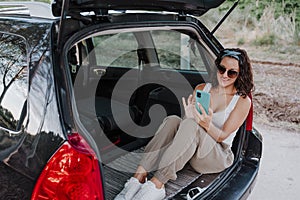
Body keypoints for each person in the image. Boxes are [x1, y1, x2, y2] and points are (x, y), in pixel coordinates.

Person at [114, 48, 254, 200]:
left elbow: (222, 136)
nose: (225, 75)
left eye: (232, 72)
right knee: (173, 120)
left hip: (217, 155)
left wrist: (205, 124)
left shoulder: (242, 101)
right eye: (222, 69)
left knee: (192, 125)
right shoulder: (202, 88)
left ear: (240, 74)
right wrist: (188, 116)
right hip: (194, 151)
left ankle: (157, 184)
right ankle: (138, 177)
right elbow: (185, 131)